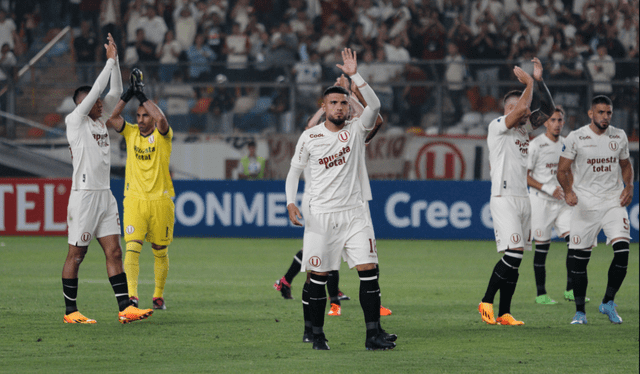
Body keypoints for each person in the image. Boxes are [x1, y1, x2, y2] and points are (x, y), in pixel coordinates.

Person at [285, 48, 395, 351]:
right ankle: (317, 334)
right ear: (324, 106)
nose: (339, 107)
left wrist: (353, 80)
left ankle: (373, 335)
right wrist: (290, 202)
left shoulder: (356, 131)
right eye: (333, 103)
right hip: (322, 216)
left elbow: (376, 107)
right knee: (318, 277)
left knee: (369, 272)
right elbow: (294, 172)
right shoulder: (310, 136)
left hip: (356, 214)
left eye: (343, 103)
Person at [62, 33, 153, 324]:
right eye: (95, 101)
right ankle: (70, 311)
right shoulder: (74, 122)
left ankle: (125, 308)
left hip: (104, 194)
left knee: (114, 251)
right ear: (82, 104)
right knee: (76, 255)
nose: (102, 103)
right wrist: (108, 61)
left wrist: (115, 61)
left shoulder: (100, 119)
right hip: (84, 195)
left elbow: (113, 89)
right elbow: (98, 90)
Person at [478, 57, 555, 326]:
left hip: (524, 198)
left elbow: (549, 108)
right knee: (513, 253)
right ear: (505, 109)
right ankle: (486, 301)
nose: (519, 111)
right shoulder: (498, 126)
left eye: (520, 108)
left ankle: (505, 312)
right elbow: (523, 104)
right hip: (504, 197)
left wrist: (539, 82)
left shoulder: (525, 127)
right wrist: (528, 84)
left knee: (518, 257)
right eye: (512, 107)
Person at [557, 95, 634, 325]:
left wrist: (629, 185)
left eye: (608, 112)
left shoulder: (619, 135)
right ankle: (580, 312)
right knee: (579, 260)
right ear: (591, 113)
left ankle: (608, 302)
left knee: (622, 251)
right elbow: (562, 171)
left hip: (613, 201)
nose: (605, 117)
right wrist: (569, 191)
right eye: (600, 112)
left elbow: (626, 165)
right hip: (585, 203)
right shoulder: (576, 137)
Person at [106, 68, 175, 311]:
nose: (140, 119)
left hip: (161, 201)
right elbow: (113, 118)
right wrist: (128, 94)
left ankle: (158, 295)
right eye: (138, 115)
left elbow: (162, 120)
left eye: (145, 115)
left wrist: (142, 95)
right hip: (134, 199)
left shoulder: (163, 136)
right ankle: (132, 296)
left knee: (159, 250)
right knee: (132, 247)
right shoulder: (131, 133)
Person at [527, 107, 581, 305]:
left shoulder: (567, 144)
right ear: (545, 123)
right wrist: (547, 188)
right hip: (541, 202)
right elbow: (525, 175)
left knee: (574, 244)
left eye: (560, 120)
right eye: (553, 120)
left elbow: (570, 171)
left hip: (563, 203)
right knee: (542, 249)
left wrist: (570, 190)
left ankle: (570, 289)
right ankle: (541, 294)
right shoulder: (536, 145)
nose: (557, 124)